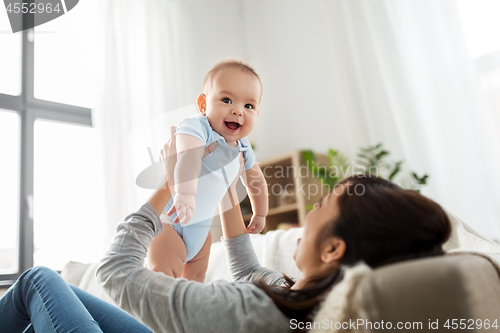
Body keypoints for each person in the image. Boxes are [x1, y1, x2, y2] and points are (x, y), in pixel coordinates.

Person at [0, 128, 452, 333]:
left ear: (334, 248)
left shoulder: (251, 310)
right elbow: (243, 263)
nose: (308, 211)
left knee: (39, 281)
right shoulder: (301, 301)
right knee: (58, 300)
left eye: (321, 205)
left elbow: (118, 271)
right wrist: (219, 183)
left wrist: (171, 181)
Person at [154, 59, 268, 282]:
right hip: (169, 222)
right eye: (227, 100)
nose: (237, 111)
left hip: (200, 232)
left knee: (195, 285)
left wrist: (260, 212)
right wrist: (185, 194)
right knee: (163, 281)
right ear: (203, 104)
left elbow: (255, 180)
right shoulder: (198, 127)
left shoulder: (243, 146)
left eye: (248, 106)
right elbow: (189, 156)